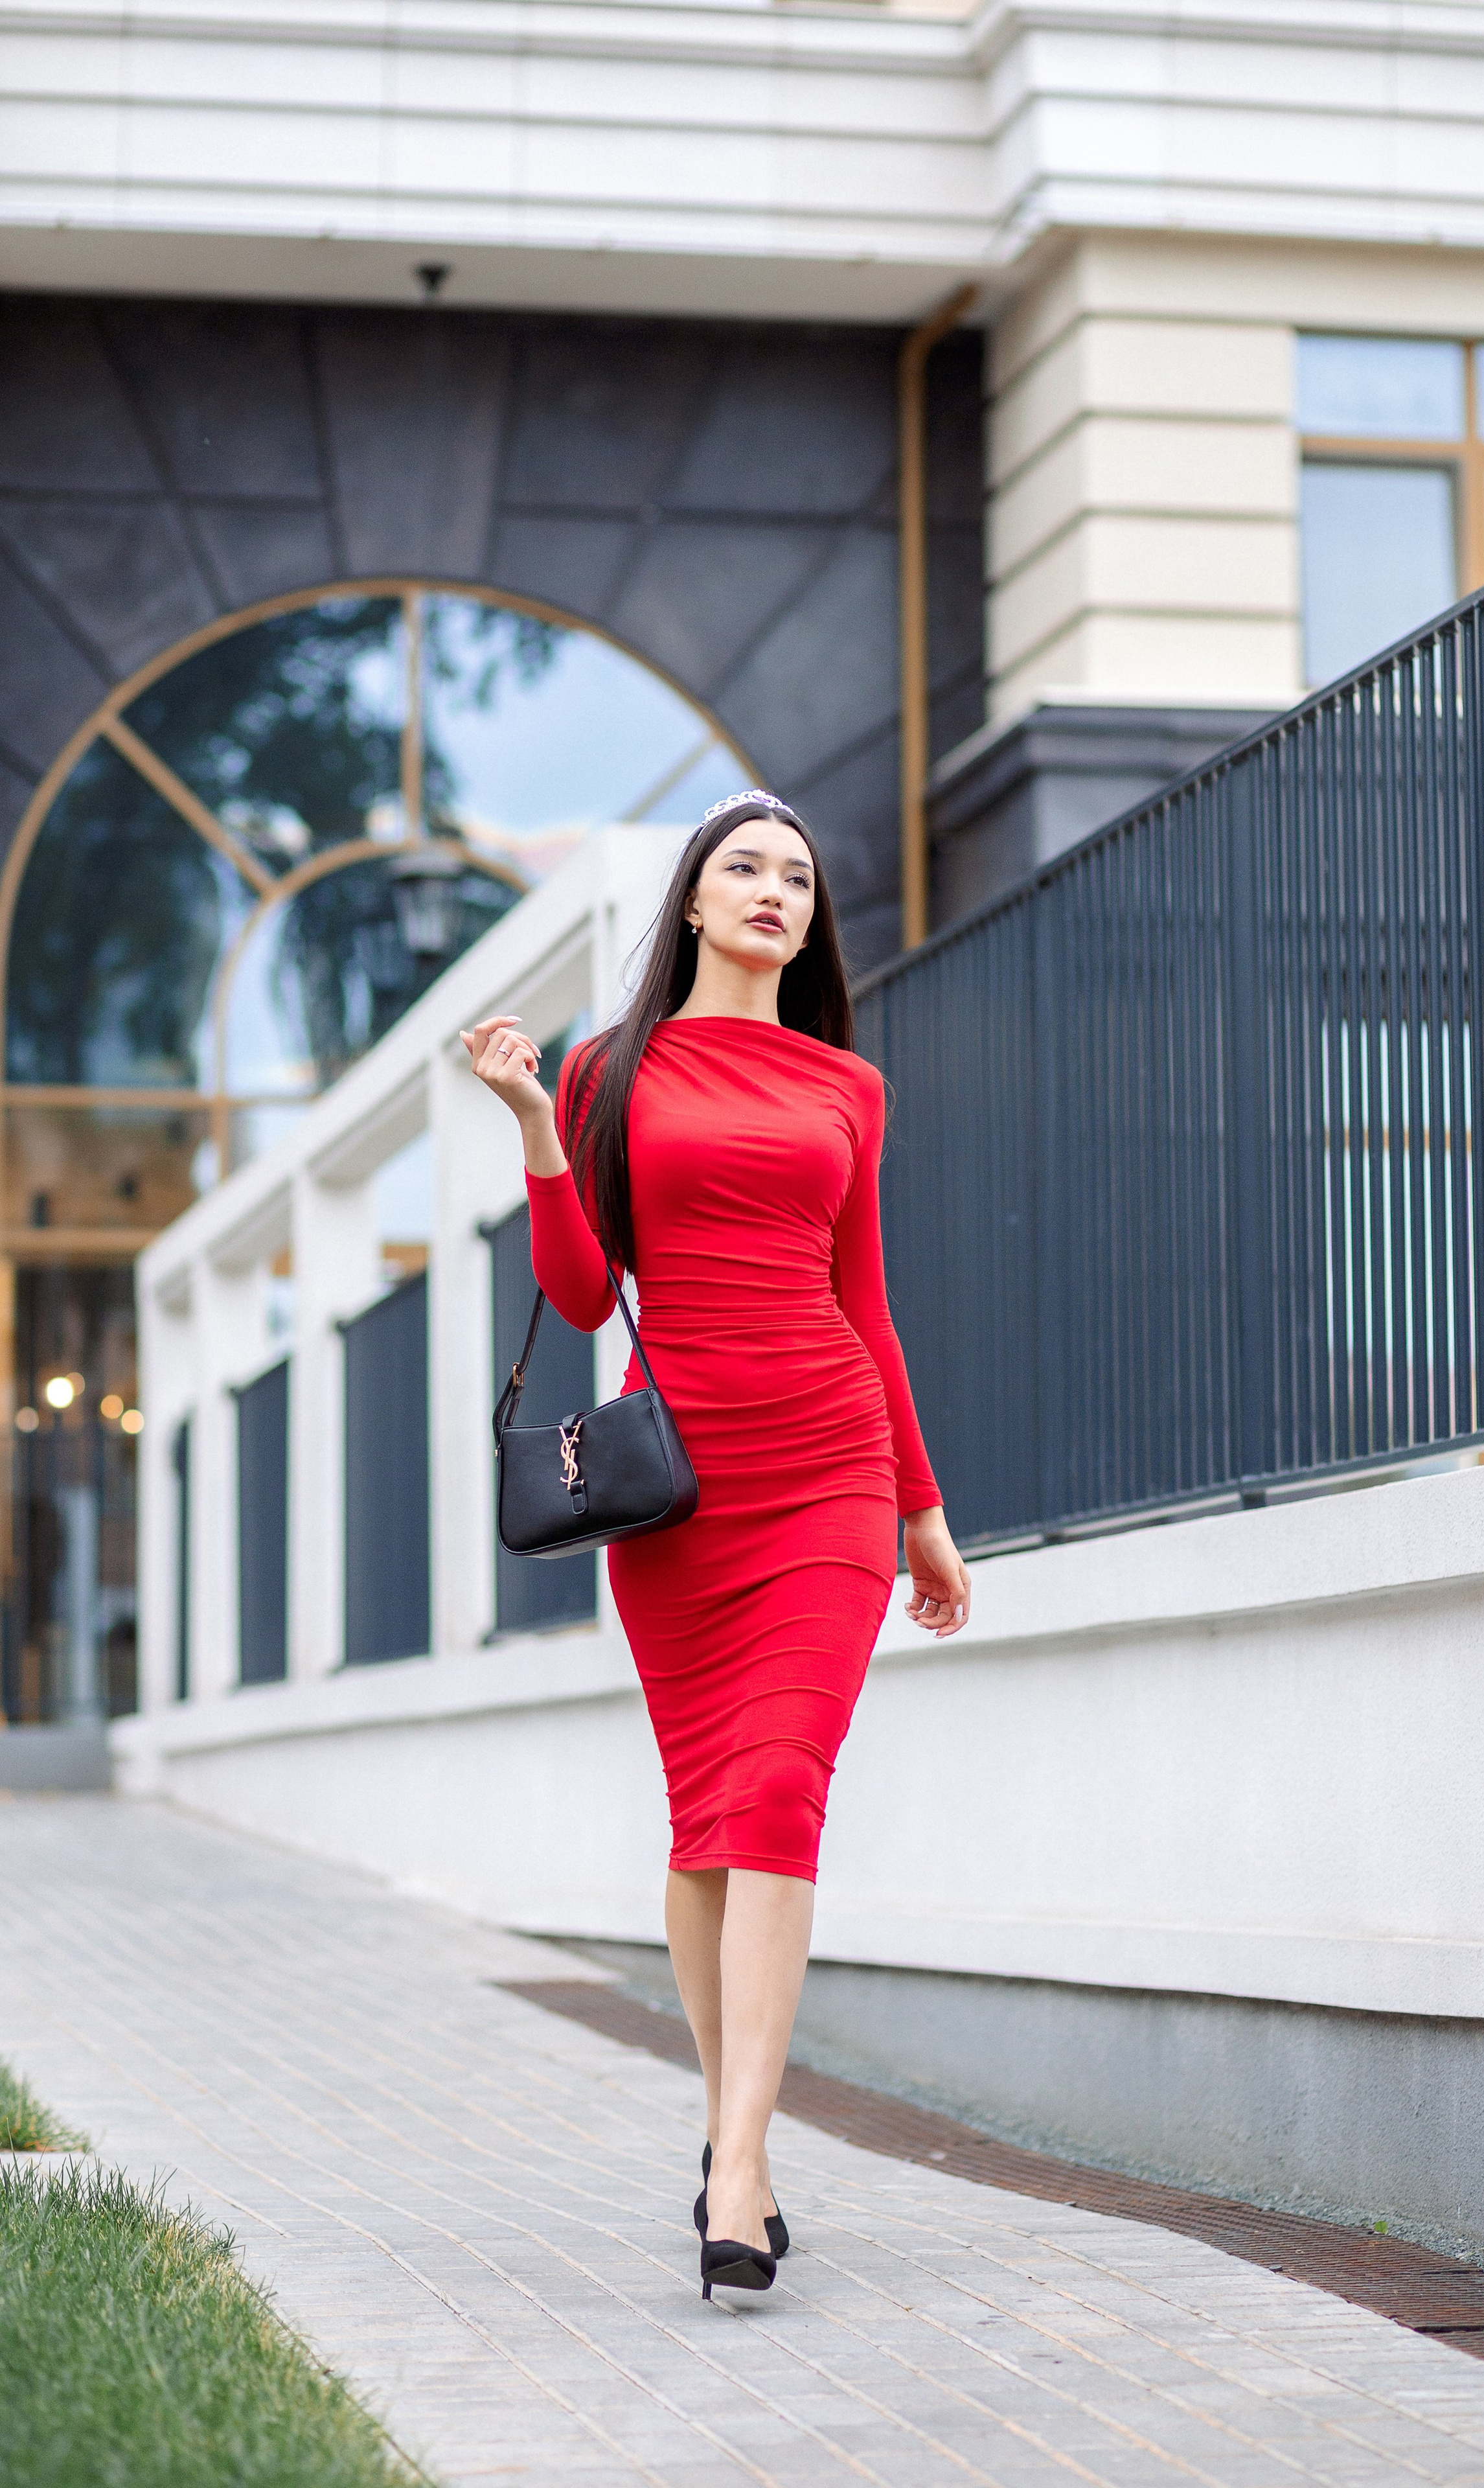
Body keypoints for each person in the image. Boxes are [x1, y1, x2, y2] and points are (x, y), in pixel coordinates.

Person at [462, 790, 970, 2303]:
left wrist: (919, 1514)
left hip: (826, 1468)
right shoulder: (616, 1070)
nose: (771, 890)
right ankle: (724, 2129)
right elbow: (577, 1287)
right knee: (703, 1824)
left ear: (809, 921)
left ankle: (739, 2168)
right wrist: (537, 1131)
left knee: (775, 1796)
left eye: (796, 877)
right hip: (680, 1491)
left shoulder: (846, 1090)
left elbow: (865, 1308)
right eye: (742, 867)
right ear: (691, 901)